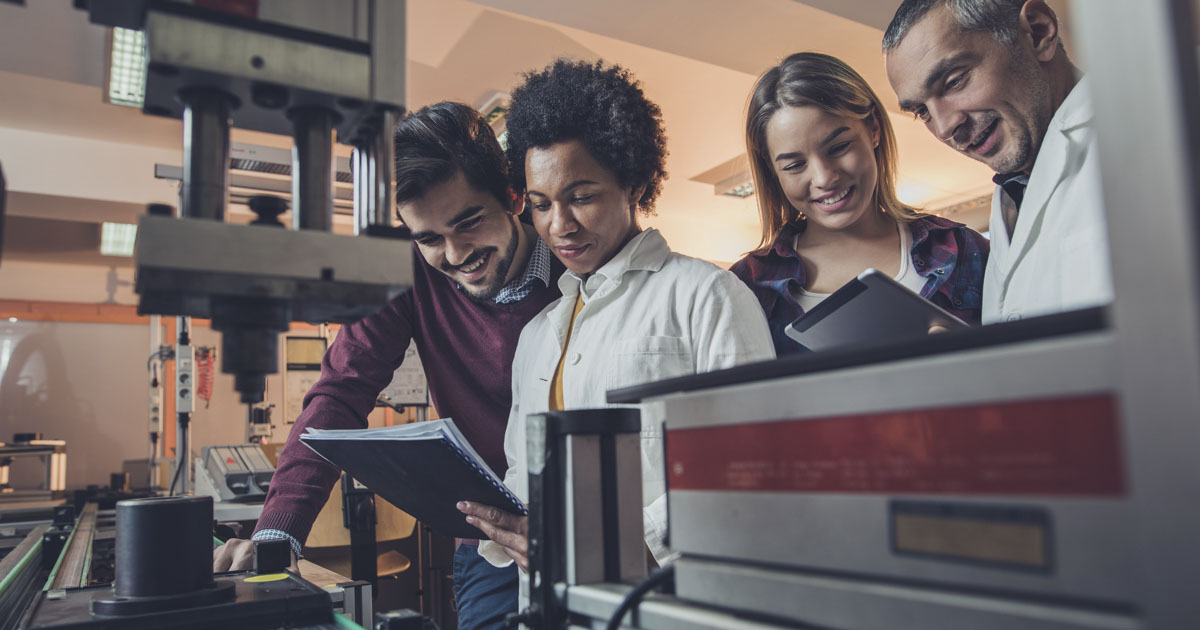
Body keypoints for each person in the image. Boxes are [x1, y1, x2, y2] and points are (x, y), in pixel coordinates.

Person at [211, 102, 565, 630]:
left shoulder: (578, 254)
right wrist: (276, 533)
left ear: (513, 196)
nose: (455, 254)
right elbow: (340, 393)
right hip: (490, 541)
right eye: (428, 238)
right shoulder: (404, 270)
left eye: (469, 223)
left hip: (588, 522)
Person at [455, 59, 775, 574]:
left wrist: (610, 547)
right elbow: (521, 472)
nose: (559, 225)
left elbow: (749, 461)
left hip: (662, 600)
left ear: (634, 184)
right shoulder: (538, 333)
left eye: (581, 197)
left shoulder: (707, 295)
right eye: (540, 204)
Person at [731, 52, 989, 356]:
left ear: (874, 129)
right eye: (794, 165)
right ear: (772, 171)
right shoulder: (746, 285)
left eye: (839, 147)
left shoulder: (961, 250)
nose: (824, 178)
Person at [884, 0, 1110, 324]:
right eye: (922, 111)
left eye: (954, 81)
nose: (945, 127)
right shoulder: (1012, 195)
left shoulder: (1157, 133)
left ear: (1037, 32)